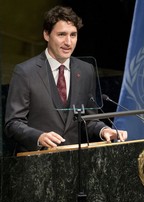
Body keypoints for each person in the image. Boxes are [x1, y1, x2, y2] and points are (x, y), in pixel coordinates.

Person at [4, 5, 128, 153]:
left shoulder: (86, 70)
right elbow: (13, 123)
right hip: (36, 163)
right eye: (62, 34)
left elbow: (89, 120)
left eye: (73, 35)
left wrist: (104, 130)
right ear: (46, 35)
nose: (68, 42)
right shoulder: (25, 72)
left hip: (74, 164)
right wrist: (39, 137)